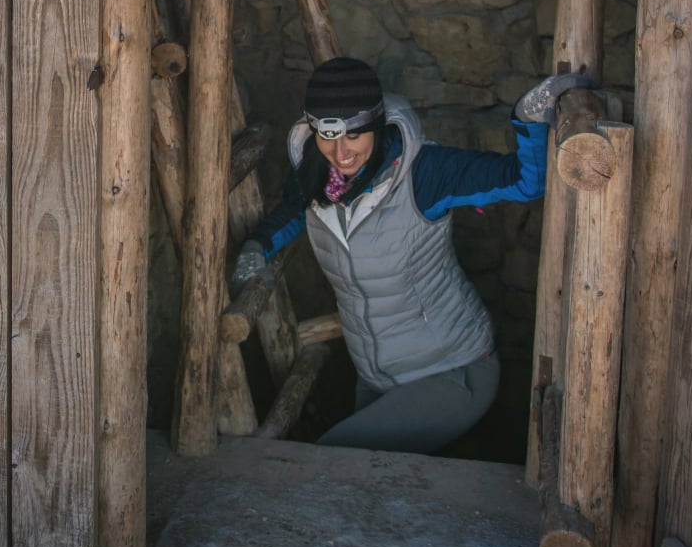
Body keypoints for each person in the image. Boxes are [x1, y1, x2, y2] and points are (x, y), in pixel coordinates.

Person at [231, 56, 589, 455]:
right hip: (374, 379)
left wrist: (528, 119)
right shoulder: (317, 175)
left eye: (354, 135)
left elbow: (524, 182)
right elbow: (286, 215)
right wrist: (255, 249)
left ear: (377, 126)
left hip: (452, 372)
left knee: (332, 461)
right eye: (328, 136)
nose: (340, 152)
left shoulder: (425, 173)